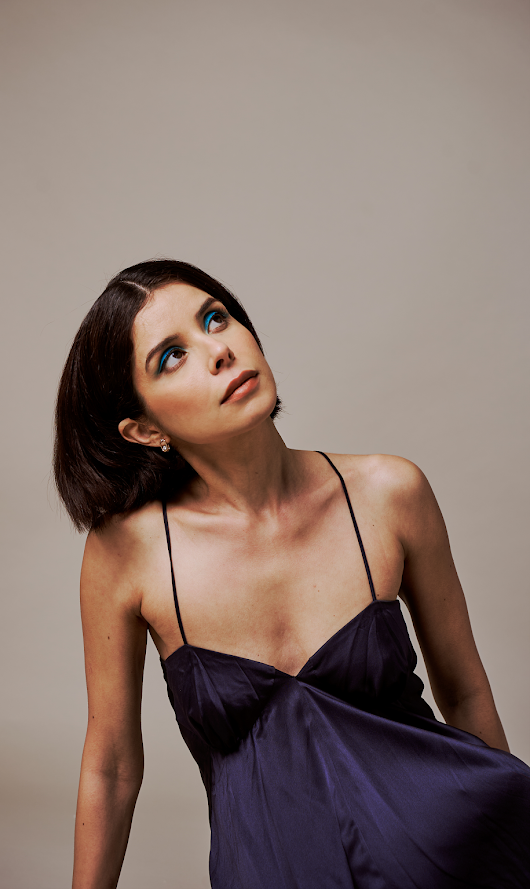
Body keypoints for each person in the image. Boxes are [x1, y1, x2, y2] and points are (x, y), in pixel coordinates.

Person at [54, 259, 530, 889]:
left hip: (447, 861)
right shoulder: (127, 553)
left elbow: (465, 694)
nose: (219, 351)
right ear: (144, 429)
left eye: (215, 319)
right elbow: (112, 766)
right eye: (172, 356)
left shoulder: (389, 492)